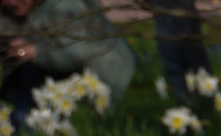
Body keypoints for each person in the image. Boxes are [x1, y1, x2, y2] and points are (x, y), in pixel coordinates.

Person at [1, 0, 137, 121]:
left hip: (109, 78)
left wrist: (35, 51)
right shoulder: (12, 14)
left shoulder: (63, 5)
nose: (13, 2)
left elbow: (81, 53)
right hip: (64, 83)